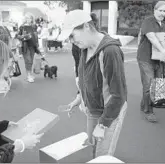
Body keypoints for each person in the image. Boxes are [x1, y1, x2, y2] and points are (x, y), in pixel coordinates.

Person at [58, 10, 128, 158]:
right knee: (93, 144)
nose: (71, 41)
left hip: (109, 112)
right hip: (93, 109)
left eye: (72, 35)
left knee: (102, 155)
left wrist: (103, 124)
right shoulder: (84, 48)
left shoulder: (110, 51)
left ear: (86, 27)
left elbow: (118, 95)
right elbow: (86, 78)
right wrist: (79, 98)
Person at [137, 1, 165, 123]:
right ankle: (149, 111)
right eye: (160, 10)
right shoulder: (148, 21)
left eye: (164, 11)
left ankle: (143, 104)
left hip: (158, 60)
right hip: (145, 58)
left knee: (154, 85)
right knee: (149, 84)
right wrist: (163, 51)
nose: (162, 13)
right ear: (154, 10)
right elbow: (152, 37)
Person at [17, 14, 41, 83]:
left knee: (31, 60)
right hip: (25, 46)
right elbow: (18, 36)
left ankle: (30, 74)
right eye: (27, 18)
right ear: (25, 19)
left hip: (33, 46)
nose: (28, 19)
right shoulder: (22, 27)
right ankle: (28, 76)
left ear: (31, 19)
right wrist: (24, 37)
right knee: (28, 61)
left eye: (30, 18)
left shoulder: (34, 26)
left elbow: (36, 36)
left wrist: (37, 44)